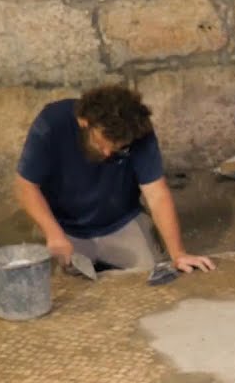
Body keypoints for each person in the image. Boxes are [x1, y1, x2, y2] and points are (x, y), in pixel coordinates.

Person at [13, 85, 215, 274]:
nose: (108, 153)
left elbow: (156, 193)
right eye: (101, 144)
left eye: (118, 148)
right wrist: (53, 234)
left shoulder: (138, 131)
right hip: (65, 228)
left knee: (154, 275)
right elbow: (26, 187)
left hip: (121, 222)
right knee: (59, 289)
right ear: (84, 122)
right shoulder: (52, 122)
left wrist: (178, 253)